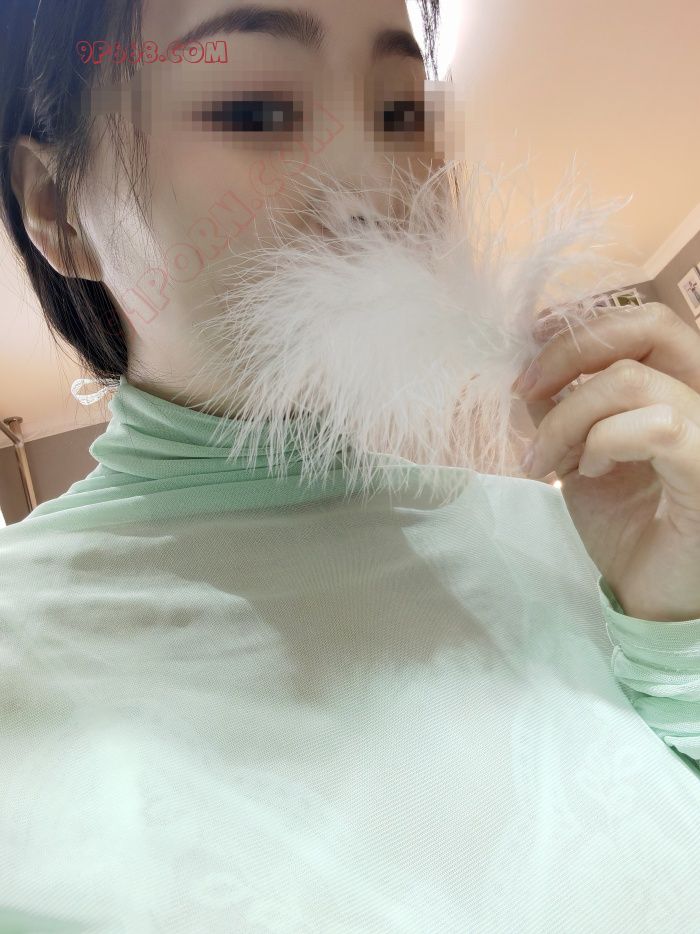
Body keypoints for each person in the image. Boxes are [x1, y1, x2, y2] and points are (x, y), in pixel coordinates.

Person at [1, 1, 699, 932]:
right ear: (57, 210)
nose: (377, 182)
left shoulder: (590, 539)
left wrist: (676, 629)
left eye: (401, 111)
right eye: (254, 108)